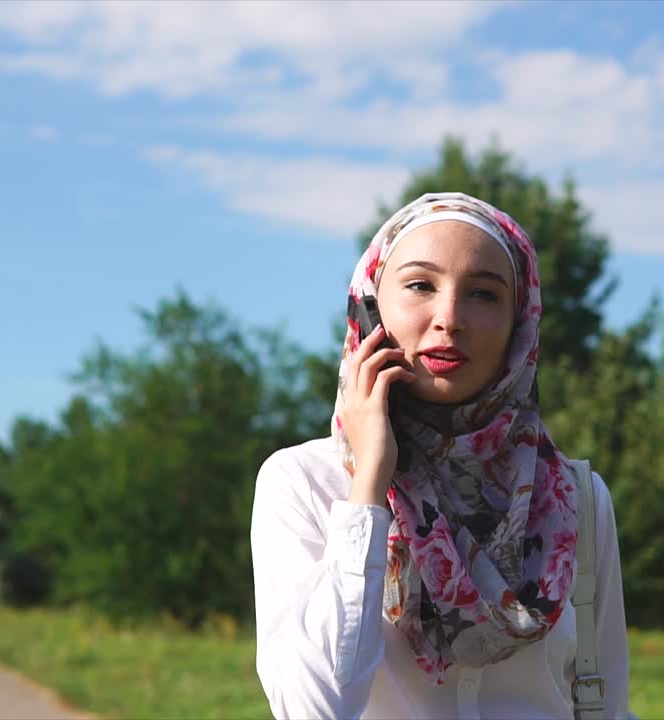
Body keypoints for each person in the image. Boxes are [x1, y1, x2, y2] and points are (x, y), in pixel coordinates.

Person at [250, 192, 634, 719]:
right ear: (371, 303)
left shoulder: (576, 499)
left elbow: (607, 705)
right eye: (419, 285)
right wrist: (368, 489)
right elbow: (314, 707)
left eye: (483, 293)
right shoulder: (302, 483)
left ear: (520, 324)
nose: (449, 317)